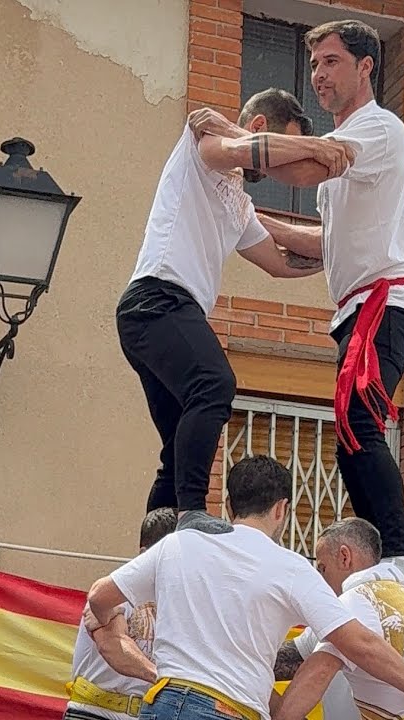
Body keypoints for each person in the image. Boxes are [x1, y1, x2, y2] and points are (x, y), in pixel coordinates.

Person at [193, 19, 404, 587]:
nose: (319, 75)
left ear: (365, 67)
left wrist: (227, 140)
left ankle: (400, 557)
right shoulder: (350, 146)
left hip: (383, 301)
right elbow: (322, 244)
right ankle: (382, 558)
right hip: (356, 307)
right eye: (316, 63)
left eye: (330, 62)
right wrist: (247, 217)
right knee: (350, 439)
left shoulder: (378, 129)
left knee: (360, 425)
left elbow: (304, 164)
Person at [117, 87, 355, 535]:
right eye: (287, 151)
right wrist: (318, 147)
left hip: (168, 311)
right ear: (262, 128)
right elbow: (235, 144)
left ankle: (156, 552)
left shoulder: (239, 204)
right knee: (215, 383)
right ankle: (191, 514)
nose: (289, 172)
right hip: (158, 299)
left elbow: (281, 262)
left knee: (176, 445)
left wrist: (352, 251)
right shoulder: (205, 148)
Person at [83, 455, 404, 720]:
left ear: (228, 504)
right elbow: (360, 644)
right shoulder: (291, 569)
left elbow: (100, 597)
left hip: (161, 704)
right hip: (229, 710)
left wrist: (111, 624)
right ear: (281, 509)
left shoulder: (180, 544)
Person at [272, 519, 404, 720]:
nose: (321, 580)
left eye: (323, 569)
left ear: (345, 557)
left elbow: (320, 669)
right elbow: (279, 661)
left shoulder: (353, 600)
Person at [65, 508, 177, 720]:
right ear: (145, 554)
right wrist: (163, 679)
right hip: (93, 713)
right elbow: (111, 644)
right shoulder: (116, 589)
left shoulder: (175, 600)